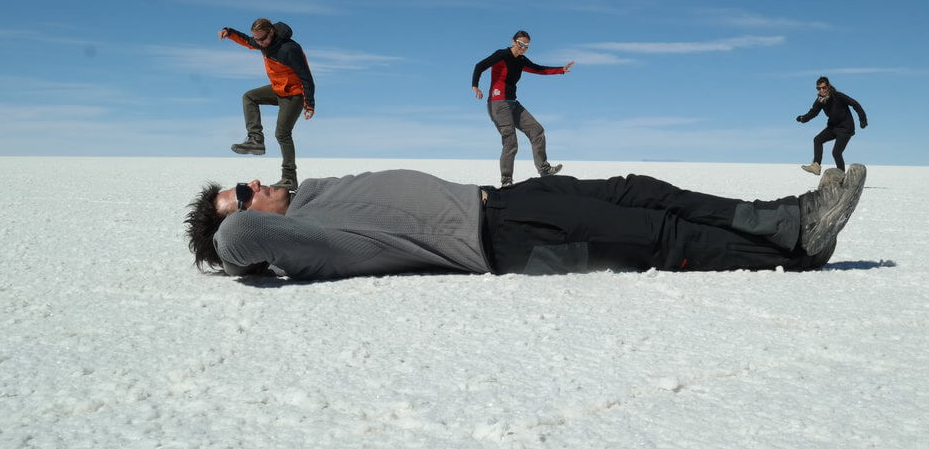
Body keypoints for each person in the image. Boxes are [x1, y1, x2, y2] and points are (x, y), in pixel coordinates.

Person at [183, 165, 866, 280]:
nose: (254, 184)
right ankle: (801, 254)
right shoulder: (312, 245)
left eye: (241, 182)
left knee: (642, 190)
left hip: (506, 200)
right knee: (660, 239)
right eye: (241, 192)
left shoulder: (311, 196)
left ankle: (788, 220)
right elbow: (236, 239)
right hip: (506, 244)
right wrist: (222, 238)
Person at [219, 18, 315, 189]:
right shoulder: (262, 42)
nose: (260, 43)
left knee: (282, 133)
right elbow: (247, 41)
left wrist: (309, 103)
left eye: (262, 39)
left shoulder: (289, 49)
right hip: (277, 89)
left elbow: (306, 76)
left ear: (271, 32)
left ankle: (289, 178)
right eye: (257, 39)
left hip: (294, 94)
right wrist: (230, 32)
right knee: (249, 96)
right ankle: (256, 139)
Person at [471, 30, 574, 186]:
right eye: (521, 44)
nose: (523, 47)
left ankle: (544, 170)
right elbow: (480, 66)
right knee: (511, 142)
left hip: (513, 103)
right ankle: (506, 181)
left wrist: (560, 70)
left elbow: (539, 69)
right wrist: (475, 86)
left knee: (537, 130)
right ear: (513, 41)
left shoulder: (521, 60)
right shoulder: (502, 55)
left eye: (527, 45)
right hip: (498, 104)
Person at [795, 76, 867, 175]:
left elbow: (855, 104)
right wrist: (803, 118)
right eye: (819, 88)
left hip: (846, 128)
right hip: (833, 127)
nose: (821, 90)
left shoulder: (838, 96)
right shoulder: (820, 100)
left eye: (823, 87)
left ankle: (842, 176)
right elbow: (813, 112)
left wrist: (862, 120)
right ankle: (816, 166)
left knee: (836, 153)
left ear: (828, 87)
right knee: (817, 140)